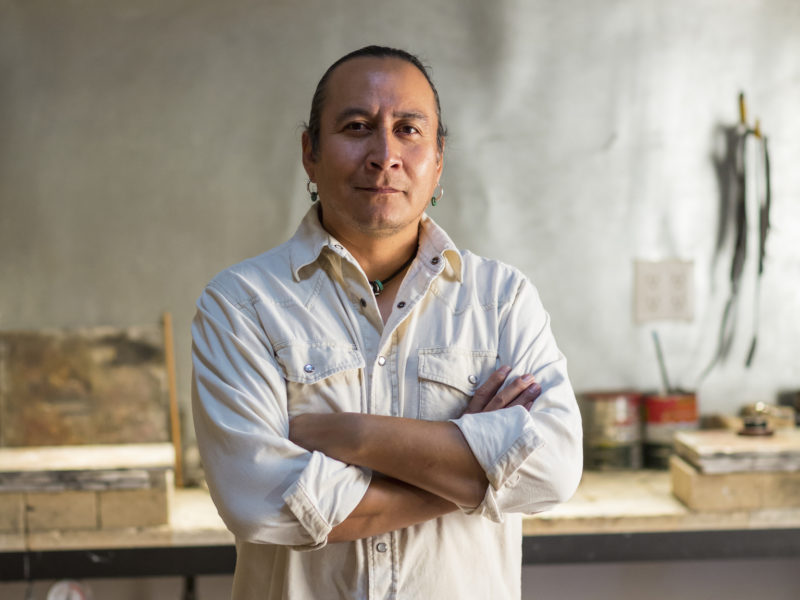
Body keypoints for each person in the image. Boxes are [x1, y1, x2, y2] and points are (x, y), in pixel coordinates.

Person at [192, 45, 582, 600]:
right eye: (356, 127)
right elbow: (261, 502)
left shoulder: (501, 300)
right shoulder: (241, 304)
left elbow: (553, 470)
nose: (384, 154)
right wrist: (483, 473)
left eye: (408, 129)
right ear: (311, 151)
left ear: (438, 156)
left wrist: (354, 435)